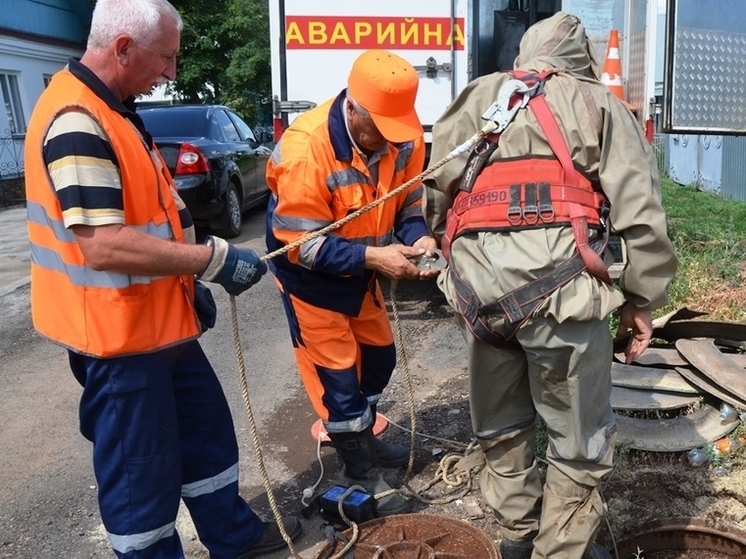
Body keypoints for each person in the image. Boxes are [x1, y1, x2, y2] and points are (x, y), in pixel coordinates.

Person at [24, 0, 302, 557]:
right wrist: (210, 261)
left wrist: (185, 279)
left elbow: (153, 217)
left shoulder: (117, 109)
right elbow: (102, 244)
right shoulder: (78, 121)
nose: (172, 72)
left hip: (158, 327)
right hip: (119, 343)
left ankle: (233, 536)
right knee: (140, 478)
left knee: (207, 440)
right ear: (123, 48)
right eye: (167, 58)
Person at [423, 12, 677, 559]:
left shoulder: (479, 96)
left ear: (526, 54)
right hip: (560, 292)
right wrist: (641, 300)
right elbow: (641, 212)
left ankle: (518, 534)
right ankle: (561, 549)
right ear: (580, 61)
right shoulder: (600, 104)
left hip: (479, 296)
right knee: (579, 440)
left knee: (501, 424)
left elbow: (437, 194)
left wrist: (460, 261)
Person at [265, 49, 439, 517]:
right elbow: (301, 247)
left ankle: (363, 442)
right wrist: (375, 257)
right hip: (312, 284)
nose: (388, 140)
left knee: (379, 359)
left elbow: (409, 203)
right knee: (339, 381)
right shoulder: (306, 150)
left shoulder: (402, 137)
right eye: (379, 128)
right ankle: (359, 472)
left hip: (360, 277)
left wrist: (418, 238)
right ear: (353, 108)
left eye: (396, 128)